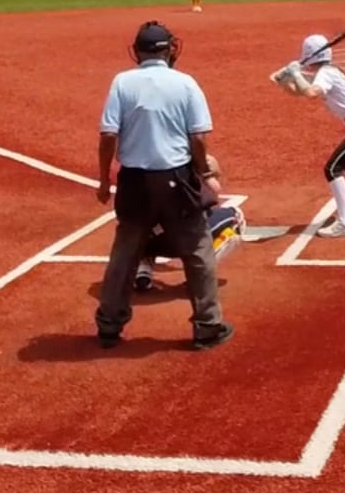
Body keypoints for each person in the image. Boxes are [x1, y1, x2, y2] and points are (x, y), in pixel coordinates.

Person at [95, 21, 231, 350]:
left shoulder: (122, 82)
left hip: (134, 181)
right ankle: (207, 326)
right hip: (177, 180)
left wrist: (103, 180)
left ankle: (109, 324)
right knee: (197, 251)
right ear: (169, 50)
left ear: (137, 52)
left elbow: (108, 135)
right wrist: (203, 171)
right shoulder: (185, 83)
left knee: (124, 253)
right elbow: (198, 138)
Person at [273, 34, 345, 238]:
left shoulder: (326, 73)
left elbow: (310, 93)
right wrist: (285, 81)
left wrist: (295, 73)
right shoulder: (327, 72)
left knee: (333, 169)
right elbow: (301, 92)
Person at [135, 155, 245, 290]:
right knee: (236, 216)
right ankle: (200, 273)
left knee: (138, 225)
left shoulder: (150, 178)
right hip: (186, 241)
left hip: (147, 244)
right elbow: (215, 190)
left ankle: (142, 270)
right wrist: (208, 177)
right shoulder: (194, 188)